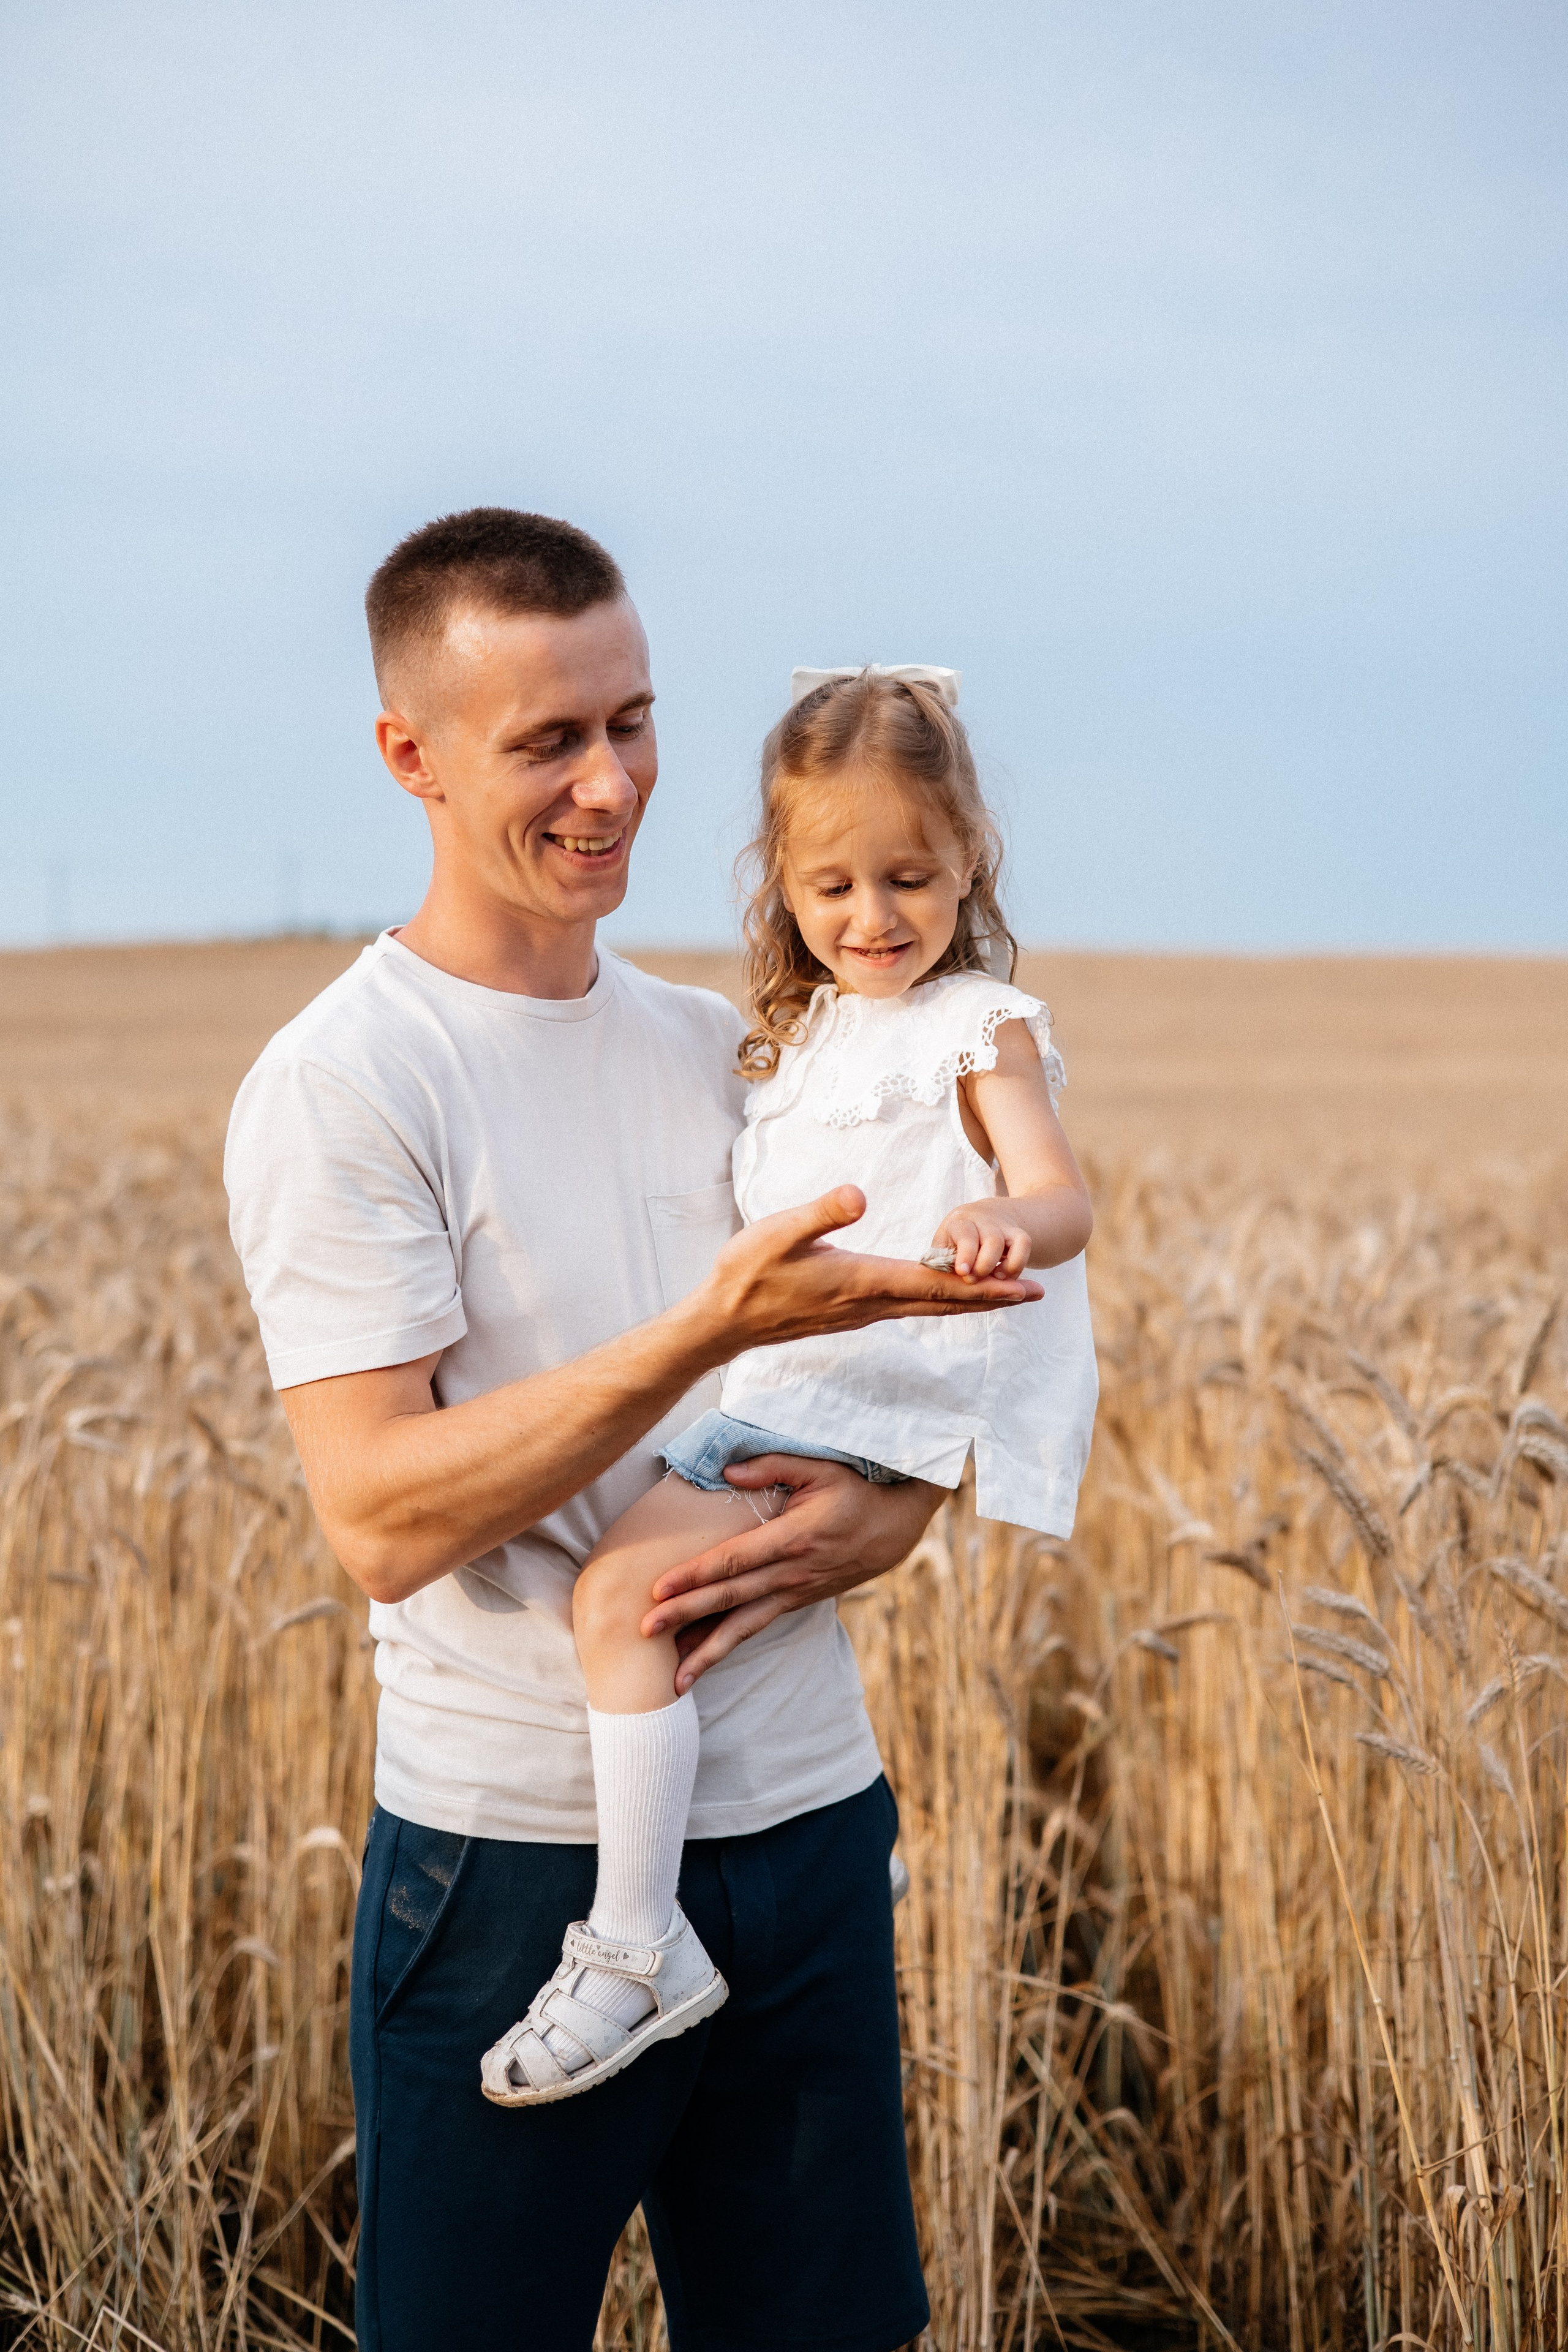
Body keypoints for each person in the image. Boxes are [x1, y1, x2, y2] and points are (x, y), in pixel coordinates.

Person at [224, 508, 1049, 2352]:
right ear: (412, 756)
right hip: (515, 1866)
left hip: (807, 1825)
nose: (610, 786)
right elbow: (379, 1517)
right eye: (549, 742)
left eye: (633, 722)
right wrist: (704, 1332)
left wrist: (900, 1508)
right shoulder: (347, 1084)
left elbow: (889, 1351)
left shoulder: (726, 1048)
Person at [483, 664, 1097, 2108]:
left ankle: (637, 1946)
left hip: (861, 1395)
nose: (870, 917)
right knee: (699, 1612)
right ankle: (838, 1850)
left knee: (618, 1604)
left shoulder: (979, 1023)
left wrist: (1005, 1222)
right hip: (786, 1388)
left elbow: (1060, 1195)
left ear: (969, 863)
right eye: (831, 886)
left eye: (908, 878)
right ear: (782, 883)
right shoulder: (797, 1035)